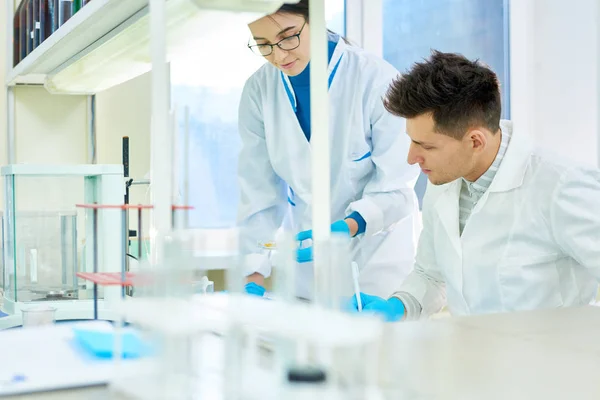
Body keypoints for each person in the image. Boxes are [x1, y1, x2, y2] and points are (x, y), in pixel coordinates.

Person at [351, 50, 600, 321]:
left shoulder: (561, 187)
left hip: (546, 359)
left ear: (475, 141)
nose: (411, 158)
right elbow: (430, 275)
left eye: (427, 146)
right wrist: (399, 305)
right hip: (471, 355)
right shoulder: (445, 177)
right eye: (411, 141)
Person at [237, 0, 420, 300]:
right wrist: (252, 272)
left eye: (288, 36)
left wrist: (348, 227)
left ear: (315, 17)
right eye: (263, 45)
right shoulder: (259, 91)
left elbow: (397, 187)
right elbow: (259, 194)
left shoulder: (375, 79)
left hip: (375, 267)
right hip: (308, 275)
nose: (279, 54)